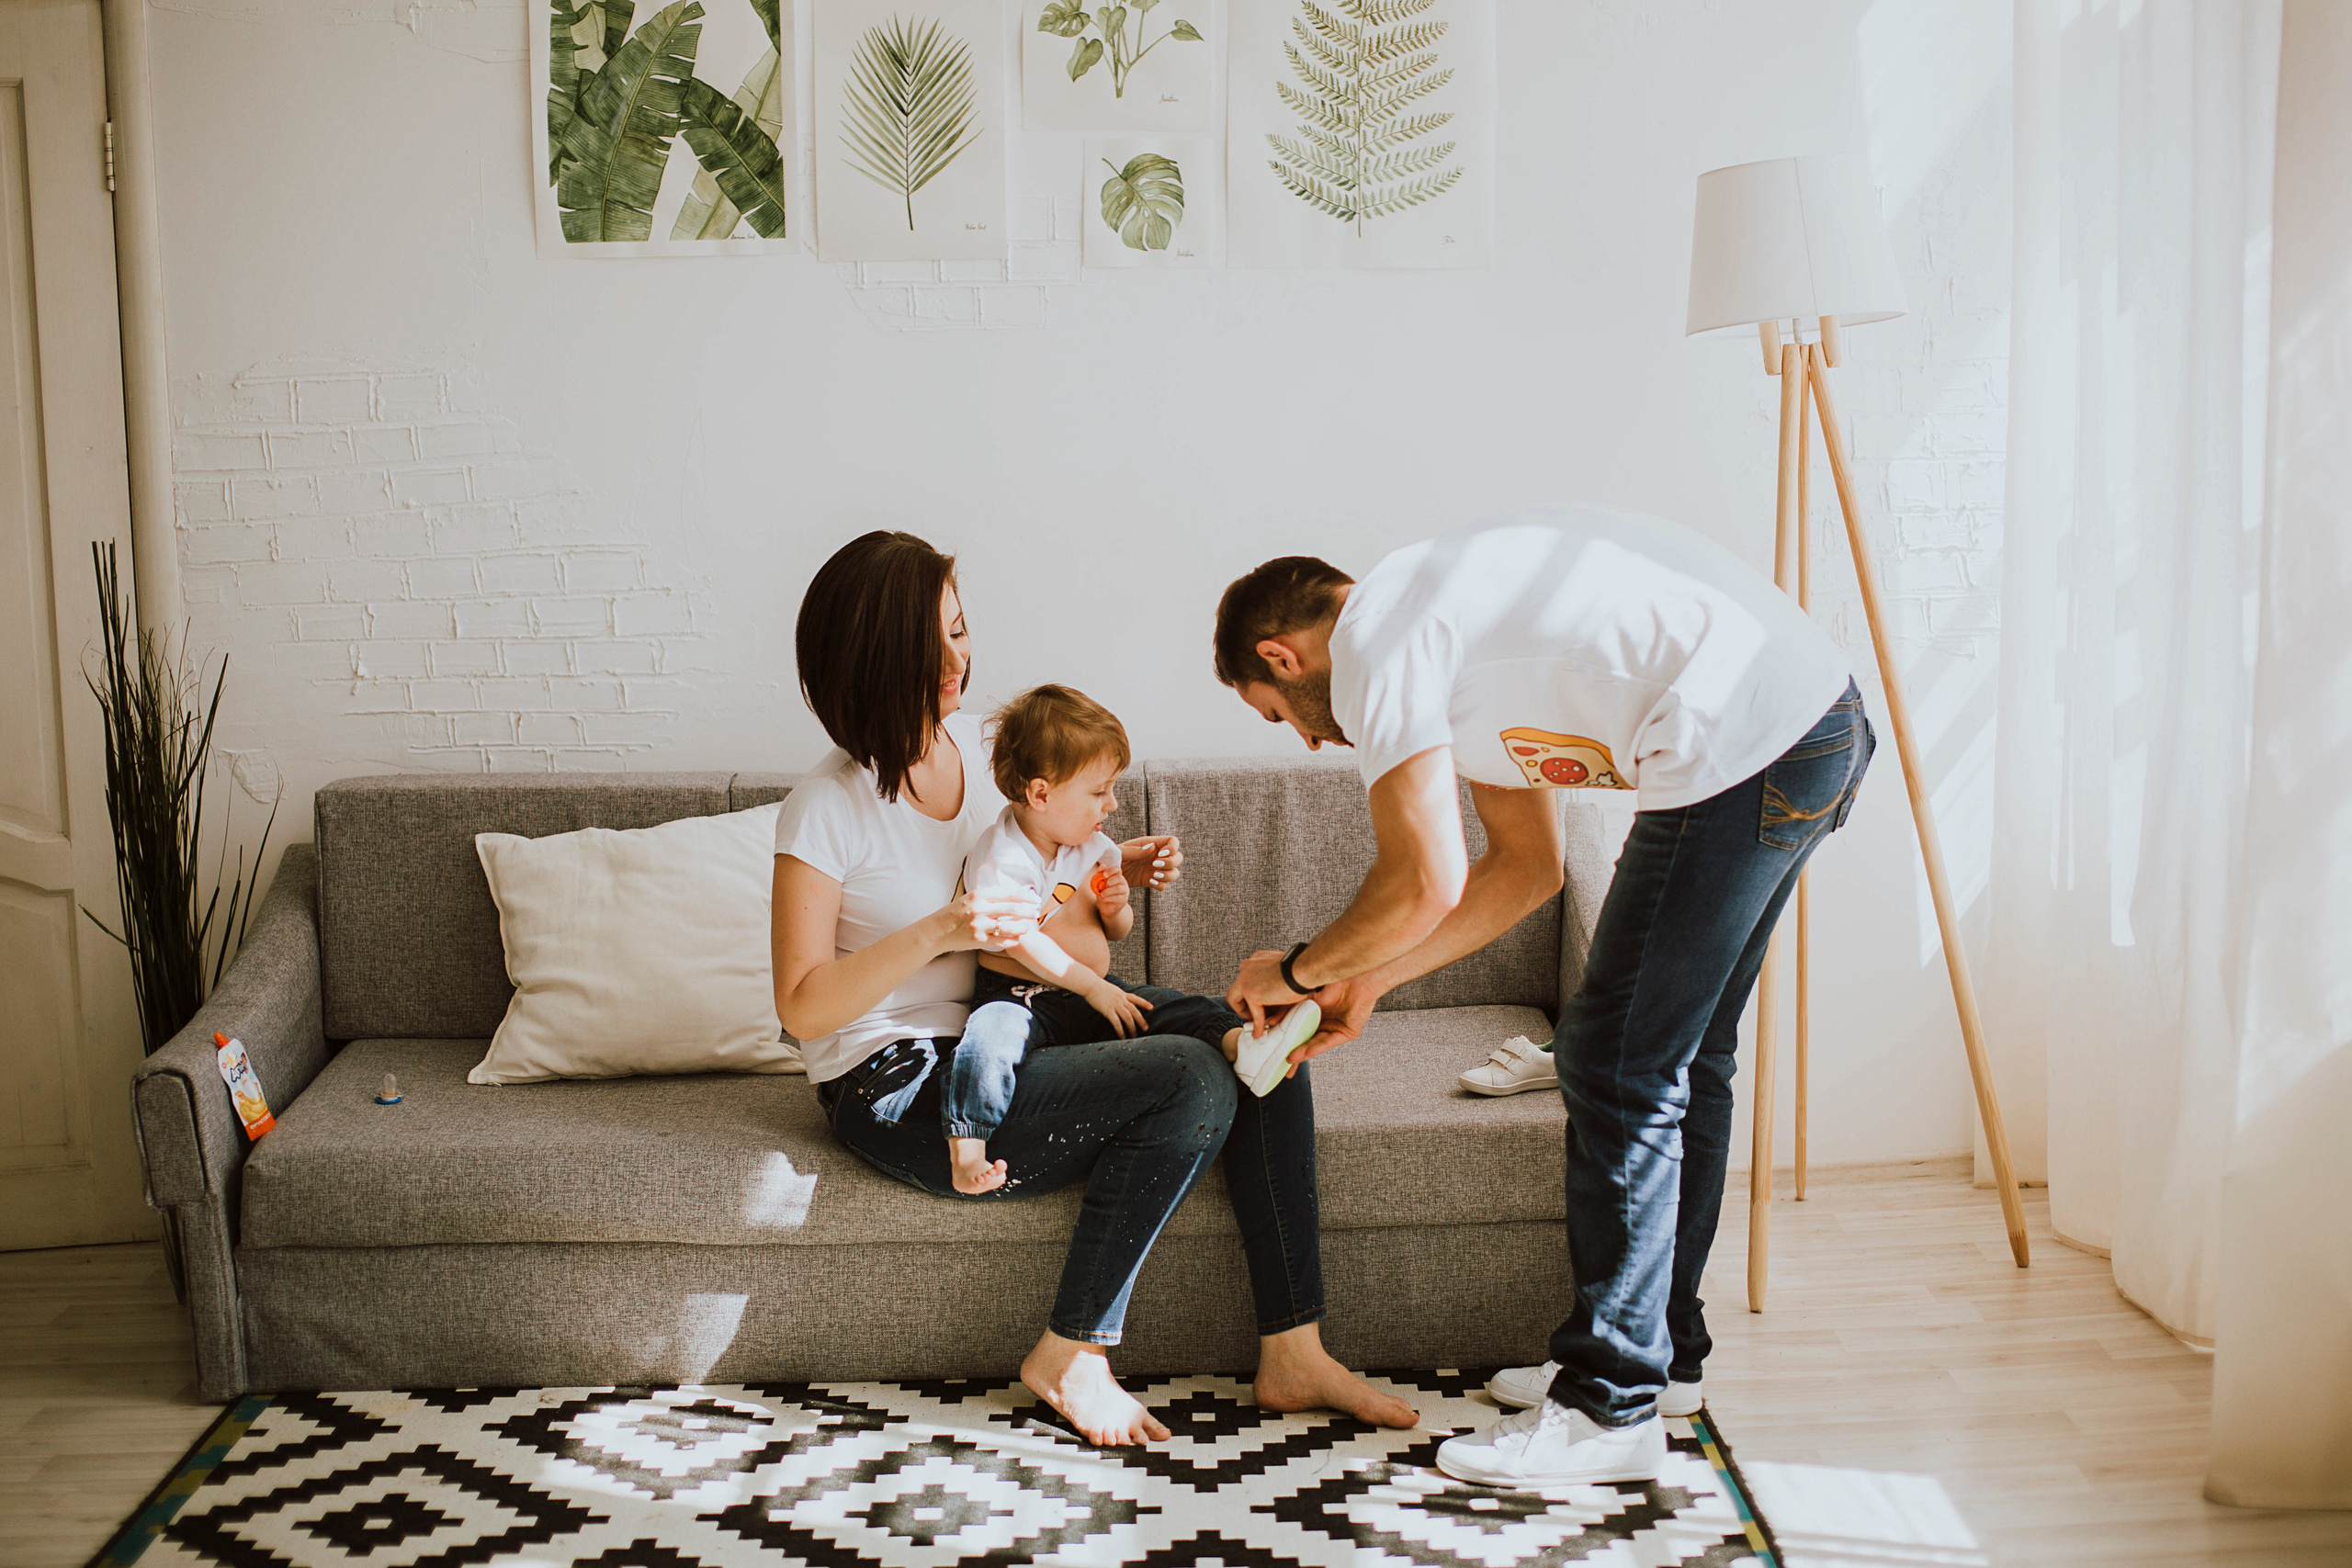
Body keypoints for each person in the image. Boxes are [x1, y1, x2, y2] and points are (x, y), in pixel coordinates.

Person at [1213, 502, 1874, 1487]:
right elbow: (1524, 871)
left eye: (1278, 716)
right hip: (1809, 722)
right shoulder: (1446, 637)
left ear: (1281, 655)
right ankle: (1663, 1360)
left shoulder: (1376, 641)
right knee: (1685, 1056)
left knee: (1612, 1060)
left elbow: (1417, 878)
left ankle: (1609, 1408)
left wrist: (1298, 971)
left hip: (1743, 738)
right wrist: (1369, 983)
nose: (1308, 743)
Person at [772, 530, 1416, 1447]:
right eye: (939, 641)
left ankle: (1295, 1349)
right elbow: (800, 1007)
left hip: (1008, 1019)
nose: (963, 657)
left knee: (1261, 1030)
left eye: (963, 631)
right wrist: (939, 932)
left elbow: (1037, 871)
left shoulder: (969, 750)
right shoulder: (826, 806)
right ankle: (1071, 1353)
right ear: (877, 655)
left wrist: (1104, 862)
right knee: (1191, 1078)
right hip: (901, 1082)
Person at [946, 685, 1327, 1194]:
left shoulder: (1090, 844)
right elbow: (1019, 942)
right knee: (986, 1042)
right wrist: (1093, 987)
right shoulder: (1003, 858)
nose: (1113, 802)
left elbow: (1116, 931)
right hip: (1018, 998)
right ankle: (967, 1147)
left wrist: (1114, 907)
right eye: (1099, 791)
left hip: (1086, 993)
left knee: (1166, 1006)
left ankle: (1242, 1045)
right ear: (1040, 794)